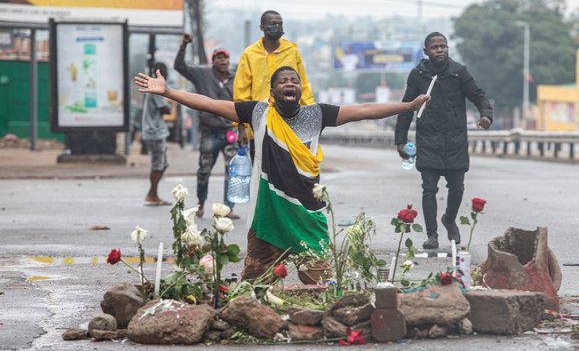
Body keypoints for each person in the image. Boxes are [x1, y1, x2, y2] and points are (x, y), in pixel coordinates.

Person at [135, 66, 430, 284]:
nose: (290, 83)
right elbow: (212, 105)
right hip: (268, 214)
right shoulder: (259, 112)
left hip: (307, 214)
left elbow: (364, 109)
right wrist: (169, 92)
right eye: (283, 81)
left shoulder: (318, 114)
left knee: (321, 286)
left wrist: (408, 106)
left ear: (300, 89)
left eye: (295, 80)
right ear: (273, 91)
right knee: (253, 287)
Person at [395, 32, 493, 250]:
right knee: (429, 188)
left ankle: (449, 219)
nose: (440, 50)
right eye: (435, 47)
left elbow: (478, 95)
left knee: (457, 188)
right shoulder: (417, 75)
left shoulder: (459, 73)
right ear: (426, 52)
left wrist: (486, 114)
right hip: (428, 139)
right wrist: (400, 139)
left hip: (455, 140)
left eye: (443, 46)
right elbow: (406, 108)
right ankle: (432, 235)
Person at [174, 34, 239, 219]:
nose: (223, 61)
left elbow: (243, 102)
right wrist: (184, 46)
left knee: (231, 171)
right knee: (204, 171)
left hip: (230, 133)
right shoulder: (202, 74)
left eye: (225, 57)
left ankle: (228, 208)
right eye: (219, 57)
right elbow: (180, 67)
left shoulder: (237, 78)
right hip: (209, 133)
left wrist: (242, 129)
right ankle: (201, 203)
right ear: (213, 61)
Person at [234, 10, 314, 159]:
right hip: (259, 125)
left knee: (288, 170)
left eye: (280, 24)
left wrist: (310, 118)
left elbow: (303, 86)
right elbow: (241, 93)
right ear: (262, 27)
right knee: (261, 172)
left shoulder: (292, 51)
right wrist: (241, 128)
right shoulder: (249, 55)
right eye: (272, 24)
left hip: (290, 123)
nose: (277, 27)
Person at [141, 62, 172, 206]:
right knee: (158, 164)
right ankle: (152, 194)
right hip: (155, 132)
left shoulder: (154, 87)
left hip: (156, 131)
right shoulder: (156, 89)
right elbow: (166, 109)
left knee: (163, 164)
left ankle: (153, 193)